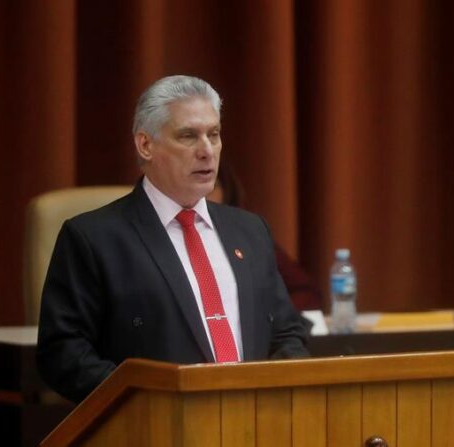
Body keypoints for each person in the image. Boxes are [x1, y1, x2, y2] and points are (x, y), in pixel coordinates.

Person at [36, 75, 309, 403]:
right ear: (145, 145)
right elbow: (64, 355)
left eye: (214, 134)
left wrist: (268, 396)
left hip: (251, 424)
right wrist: (150, 404)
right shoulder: (93, 238)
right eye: (188, 136)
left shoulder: (251, 231)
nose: (207, 151)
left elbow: (287, 333)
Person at [207, 159, 322, 310]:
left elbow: (305, 291)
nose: (203, 195)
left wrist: (269, 319)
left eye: (211, 186)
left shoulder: (250, 235)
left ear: (227, 190)